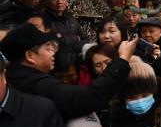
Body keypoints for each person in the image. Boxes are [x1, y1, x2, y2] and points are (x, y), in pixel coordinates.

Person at [2, 22, 136, 120]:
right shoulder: (35, 84)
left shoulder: (16, 77)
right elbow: (87, 98)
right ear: (30, 56)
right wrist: (123, 59)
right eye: (47, 48)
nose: (52, 53)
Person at [44, 0, 88, 83]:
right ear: (48, 1)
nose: (59, 2)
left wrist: (65, 40)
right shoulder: (43, 20)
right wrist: (75, 39)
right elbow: (49, 42)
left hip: (73, 66)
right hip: (54, 68)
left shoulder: (72, 20)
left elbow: (85, 40)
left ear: (67, 1)